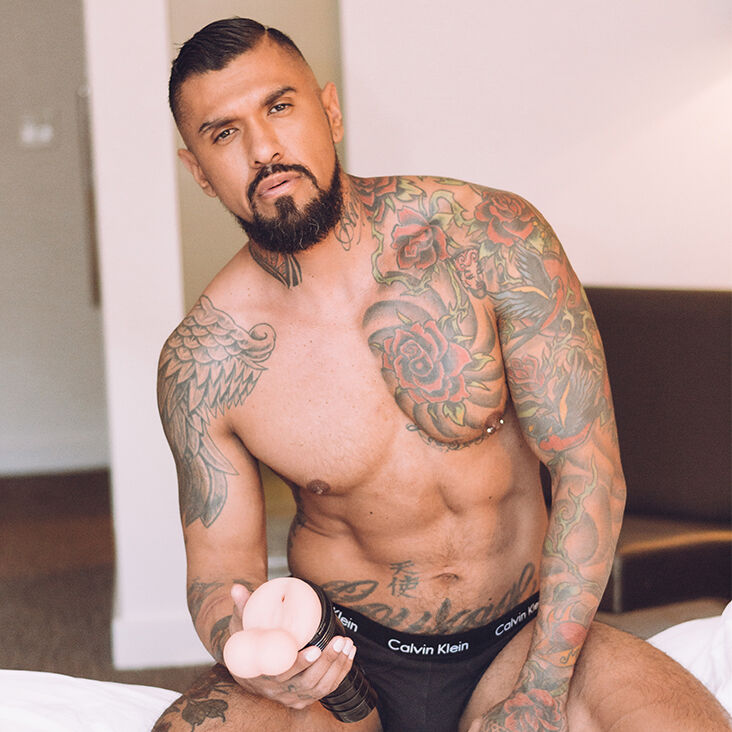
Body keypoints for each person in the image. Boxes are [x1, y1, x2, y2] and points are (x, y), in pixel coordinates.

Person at [153, 17, 730, 732]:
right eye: (224, 133)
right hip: (340, 662)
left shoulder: (491, 237)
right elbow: (221, 573)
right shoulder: (205, 361)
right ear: (198, 171)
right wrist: (254, 655)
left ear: (329, 111)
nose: (263, 148)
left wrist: (542, 690)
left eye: (279, 106)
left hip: (522, 640)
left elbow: (590, 471)